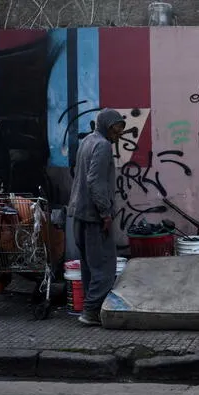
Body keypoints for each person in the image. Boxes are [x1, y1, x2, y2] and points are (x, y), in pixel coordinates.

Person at [67, 108, 125, 325]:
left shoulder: (87, 142)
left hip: (79, 214)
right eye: (116, 132)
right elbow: (95, 182)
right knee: (104, 266)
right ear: (107, 127)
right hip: (93, 217)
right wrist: (105, 213)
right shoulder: (102, 146)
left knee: (89, 266)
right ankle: (91, 312)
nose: (117, 137)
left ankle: (91, 310)